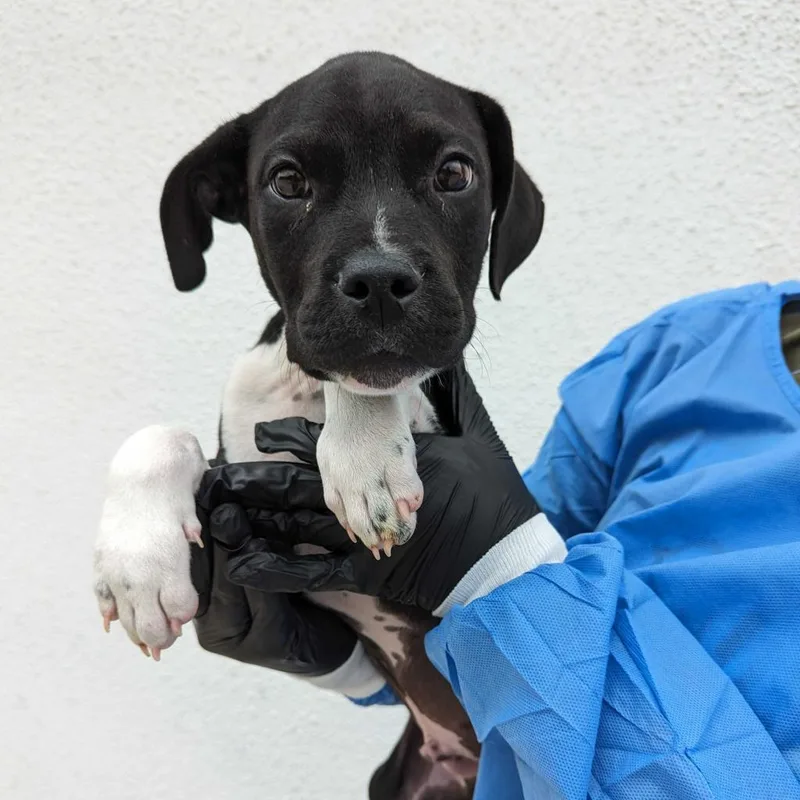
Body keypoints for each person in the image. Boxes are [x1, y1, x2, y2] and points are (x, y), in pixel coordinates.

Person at [191, 281, 800, 799]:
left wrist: (501, 569)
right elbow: (484, 615)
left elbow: (508, 579)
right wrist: (350, 666)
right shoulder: (682, 350)